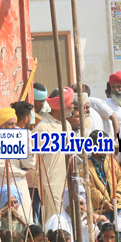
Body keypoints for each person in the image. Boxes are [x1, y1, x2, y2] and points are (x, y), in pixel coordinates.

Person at [0, 107, 36, 221]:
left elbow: (29, 163)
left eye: (15, 124)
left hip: (19, 185)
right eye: (11, 124)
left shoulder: (18, 139)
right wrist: (22, 172)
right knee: (1, 220)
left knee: (23, 219)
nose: (15, 127)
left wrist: (27, 143)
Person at [34, 88, 75, 226]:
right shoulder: (43, 128)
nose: (73, 106)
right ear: (63, 106)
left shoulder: (66, 125)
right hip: (51, 183)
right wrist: (43, 183)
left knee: (68, 219)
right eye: (71, 103)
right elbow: (33, 161)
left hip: (67, 180)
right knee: (55, 220)